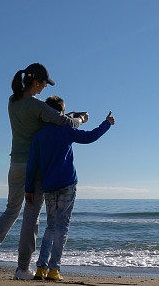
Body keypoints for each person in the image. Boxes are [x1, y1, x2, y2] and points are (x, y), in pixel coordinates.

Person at [0, 63, 88, 280]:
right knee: (31, 218)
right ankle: (23, 268)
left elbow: (43, 121)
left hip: (14, 164)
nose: (45, 87)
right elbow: (65, 123)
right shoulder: (36, 105)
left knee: (10, 212)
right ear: (36, 82)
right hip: (33, 168)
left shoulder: (12, 101)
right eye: (45, 83)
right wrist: (81, 119)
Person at [24, 96, 115, 281]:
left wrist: (29, 188)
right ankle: (54, 270)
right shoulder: (66, 130)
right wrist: (107, 123)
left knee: (50, 227)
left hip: (48, 187)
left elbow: (31, 164)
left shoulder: (39, 135)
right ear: (61, 112)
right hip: (67, 184)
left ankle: (41, 268)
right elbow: (90, 136)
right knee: (62, 228)